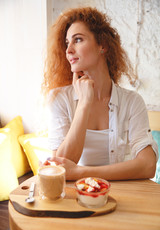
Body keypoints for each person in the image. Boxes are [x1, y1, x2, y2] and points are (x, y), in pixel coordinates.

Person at [42, 7, 158, 181]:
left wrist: (82, 173)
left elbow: (148, 166)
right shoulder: (59, 99)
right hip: (76, 197)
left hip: (123, 196)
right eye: (67, 43)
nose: (69, 50)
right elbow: (61, 166)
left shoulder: (132, 101)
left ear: (102, 45)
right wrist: (84, 103)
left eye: (78, 40)